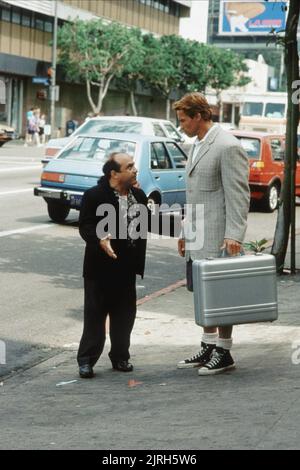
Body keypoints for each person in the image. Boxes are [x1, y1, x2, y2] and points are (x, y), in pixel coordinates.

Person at [77, 152, 177, 378]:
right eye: (129, 166)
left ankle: (121, 357)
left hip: (127, 268)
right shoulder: (94, 195)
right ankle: (86, 360)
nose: (135, 169)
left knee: (124, 316)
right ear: (114, 173)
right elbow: (85, 225)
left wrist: (182, 228)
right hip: (99, 268)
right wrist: (100, 238)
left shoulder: (139, 195)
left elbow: (149, 222)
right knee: (95, 316)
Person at [173, 92, 250, 376]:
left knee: (222, 294)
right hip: (197, 234)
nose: (181, 126)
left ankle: (224, 350)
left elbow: (238, 195)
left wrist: (235, 234)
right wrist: (184, 231)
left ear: (198, 116)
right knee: (202, 293)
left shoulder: (227, 145)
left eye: (184, 120)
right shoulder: (196, 145)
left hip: (219, 235)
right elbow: (194, 195)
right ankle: (208, 344)